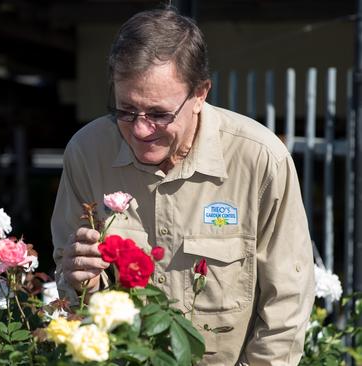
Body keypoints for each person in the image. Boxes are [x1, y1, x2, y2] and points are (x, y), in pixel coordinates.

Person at [51, 8, 315, 365]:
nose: (141, 130)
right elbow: (70, 284)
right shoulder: (87, 153)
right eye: (126, 110)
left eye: (159, 114)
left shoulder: (259, 159)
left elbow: (287, 303)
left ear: (201, 93)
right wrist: (83, 283)